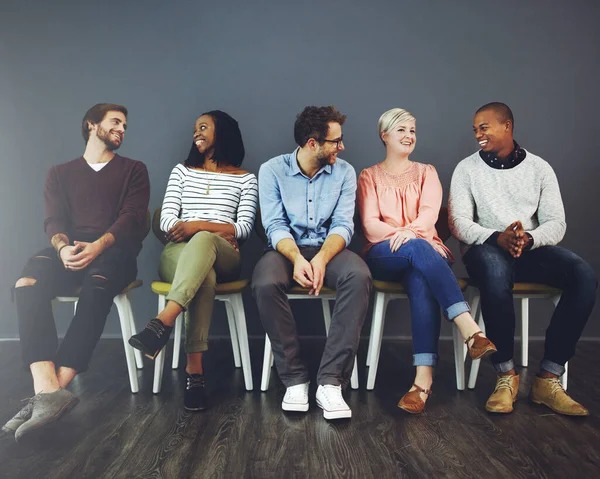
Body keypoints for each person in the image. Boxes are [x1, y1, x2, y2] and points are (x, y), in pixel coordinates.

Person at [4, 103, 150, 441]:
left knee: (96, 288)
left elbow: (131, 217)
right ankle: (47, 391)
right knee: (26, 283)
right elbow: (53, 221)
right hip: (69, 252)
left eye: (125, 125)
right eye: (115, 122)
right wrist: (62, 247)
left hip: (115, 254)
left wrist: (98, 246)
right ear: (91, 125)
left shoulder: (134, 169)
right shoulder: (59, 172)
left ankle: (49, 395)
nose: (122, 129)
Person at [448, 102, 597, 415]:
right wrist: (496, 237)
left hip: (529, 250)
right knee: (494, 269)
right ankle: (505, 374)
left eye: (483, 127)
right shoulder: (467, 169)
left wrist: (527, 239)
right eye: (474, 129)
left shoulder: (539, 169)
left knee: (583, 274)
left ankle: (549, 378)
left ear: (507, 126)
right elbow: (458, 222)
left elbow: (556, 223)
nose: (477, 134)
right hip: (484, 248)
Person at [357, 108, 496, 414]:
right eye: (401, 130)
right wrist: (404, 234)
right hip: (384, 252)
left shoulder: (426, 172)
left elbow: (430, 215)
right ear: (384, 135)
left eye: (413, 131)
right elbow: (370, 225)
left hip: (422, 251)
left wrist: (411, 233)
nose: (409, 136)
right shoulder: (369, 176)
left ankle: (422, 381)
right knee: (420, 247)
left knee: (421, 278)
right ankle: (469, 327)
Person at [129, 110, 257, 411]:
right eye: (194, 129)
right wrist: (204, 229)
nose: (196, 133)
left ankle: (162, 323)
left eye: (203, 127)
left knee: (203, 241)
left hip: (225, 255)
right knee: (204, 276)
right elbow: (168, 220)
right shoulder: (182, 171)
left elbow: (244, 229)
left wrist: (198, 226)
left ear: (222, 133)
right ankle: (194, 373)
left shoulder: (246, 179)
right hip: (179, 253)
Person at [252, 106, 371, 420]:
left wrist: (319, 258)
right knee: (265, 283)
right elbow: (274, 225)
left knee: (358, 275)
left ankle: (330, 382)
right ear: (311, 143)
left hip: (327, 250)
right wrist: (295, 258)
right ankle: (294, 378)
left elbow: (344, 225)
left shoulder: (345, 171)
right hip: (283, 250)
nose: (341, 147)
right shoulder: (271, 170)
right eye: (335, 141)